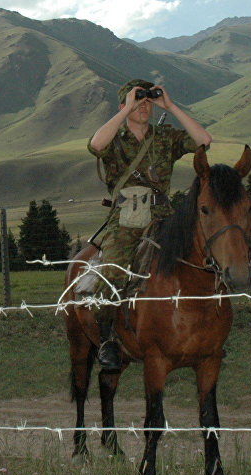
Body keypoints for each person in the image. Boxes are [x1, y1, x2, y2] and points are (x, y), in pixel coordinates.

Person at [87, 79, 212, 371]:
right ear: (123, 106)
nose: (144, 106)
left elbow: (203, 141)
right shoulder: (115, 139)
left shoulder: (164, 136)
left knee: (200, 263)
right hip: (125, 219)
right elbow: (96, 145)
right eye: (137, 101)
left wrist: (170, 106)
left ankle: (204, 333)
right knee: (112, 274)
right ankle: (108, 340)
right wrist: (126, 109)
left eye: (147, 101)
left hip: (163, 216)